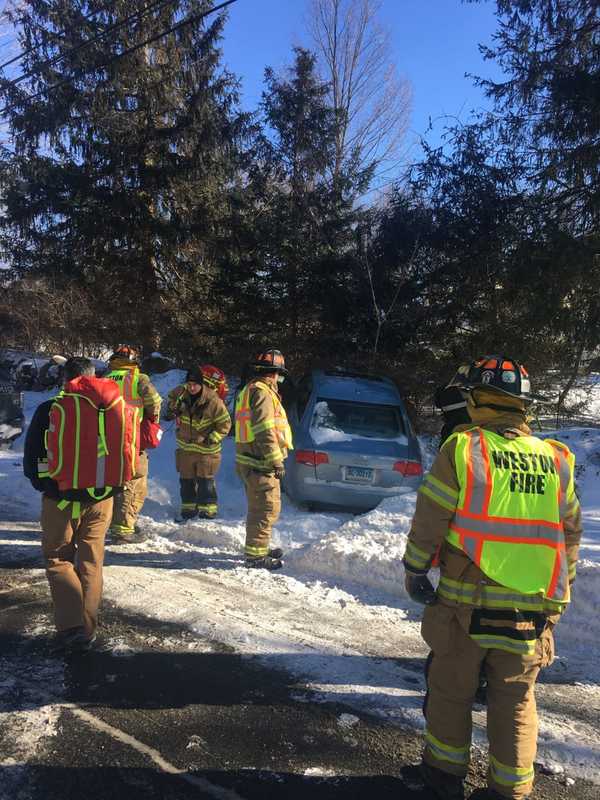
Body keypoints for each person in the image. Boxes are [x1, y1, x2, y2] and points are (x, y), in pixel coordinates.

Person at [402, 356, 582, 800]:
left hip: (466, 607)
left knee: (450, 691)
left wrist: (415, 567)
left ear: (476, 399)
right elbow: (569, 536)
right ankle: (509, 791)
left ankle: (443, 779)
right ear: (523, 406)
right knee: (516, 703)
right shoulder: (556, 460)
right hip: (530, 610)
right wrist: (557, 602)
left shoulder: (465, 449)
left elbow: (431, 517)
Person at [23, 357, 127, 652]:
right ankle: (88, 627)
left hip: (60, 498)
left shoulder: (50, 409)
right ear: (93, 377)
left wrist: (45, 485)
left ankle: (71, 628)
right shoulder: (112, 407)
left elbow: (32, 458)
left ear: (65, 379)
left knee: (58, 559)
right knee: (92, 560)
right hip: (101, 497)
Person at [234, 349, 293, 570]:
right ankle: (255, 556)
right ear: (274, 373)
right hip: (260, 462)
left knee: (261, 506)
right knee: (265, 508)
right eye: (279, 374)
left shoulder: (250, 389)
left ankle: (259, 546)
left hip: (252, 460)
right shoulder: (262, 393)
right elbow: (264, 428)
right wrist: (275, 459)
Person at [105, 345, 162, 544]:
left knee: (112, 480)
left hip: (106, 438)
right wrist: (150, 421)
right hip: (131, 436)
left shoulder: (106, 377)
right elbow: (155, 403)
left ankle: (110, 522)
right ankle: (123, 529)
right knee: (134, 482)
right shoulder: (139, 378)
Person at [164, 366, 231, 520]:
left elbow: (225, 424)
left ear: (202, 384)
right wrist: (177, 400)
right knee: (186, 482)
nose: (192, 387)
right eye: (189, 384)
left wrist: (213, 437)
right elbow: (170, 400)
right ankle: (188, 510)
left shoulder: (213, 402)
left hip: (207, 452)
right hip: (186, 450)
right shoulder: (183, 395)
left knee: (205, 483)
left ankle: (208, 511)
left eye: (195, 384)